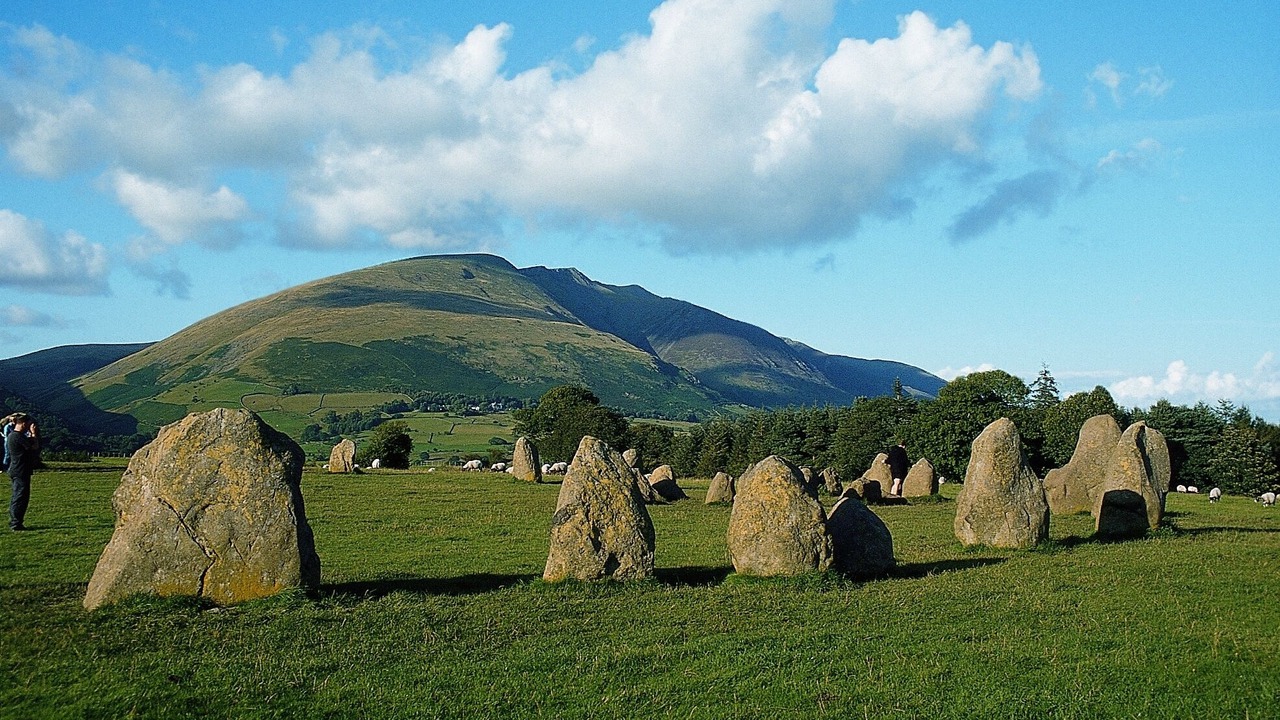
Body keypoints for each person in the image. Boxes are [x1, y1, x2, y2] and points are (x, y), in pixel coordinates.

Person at [6, 413, 40, 531]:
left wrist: (31, 435)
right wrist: (34, 434)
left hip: (17, 469)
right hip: (20, 470)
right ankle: (15, 523)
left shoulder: (13, 436)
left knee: (18, 495)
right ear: (24, 424)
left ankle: (16, 521)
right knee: (20, 496)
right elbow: (34, 447)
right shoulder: (17, 436)